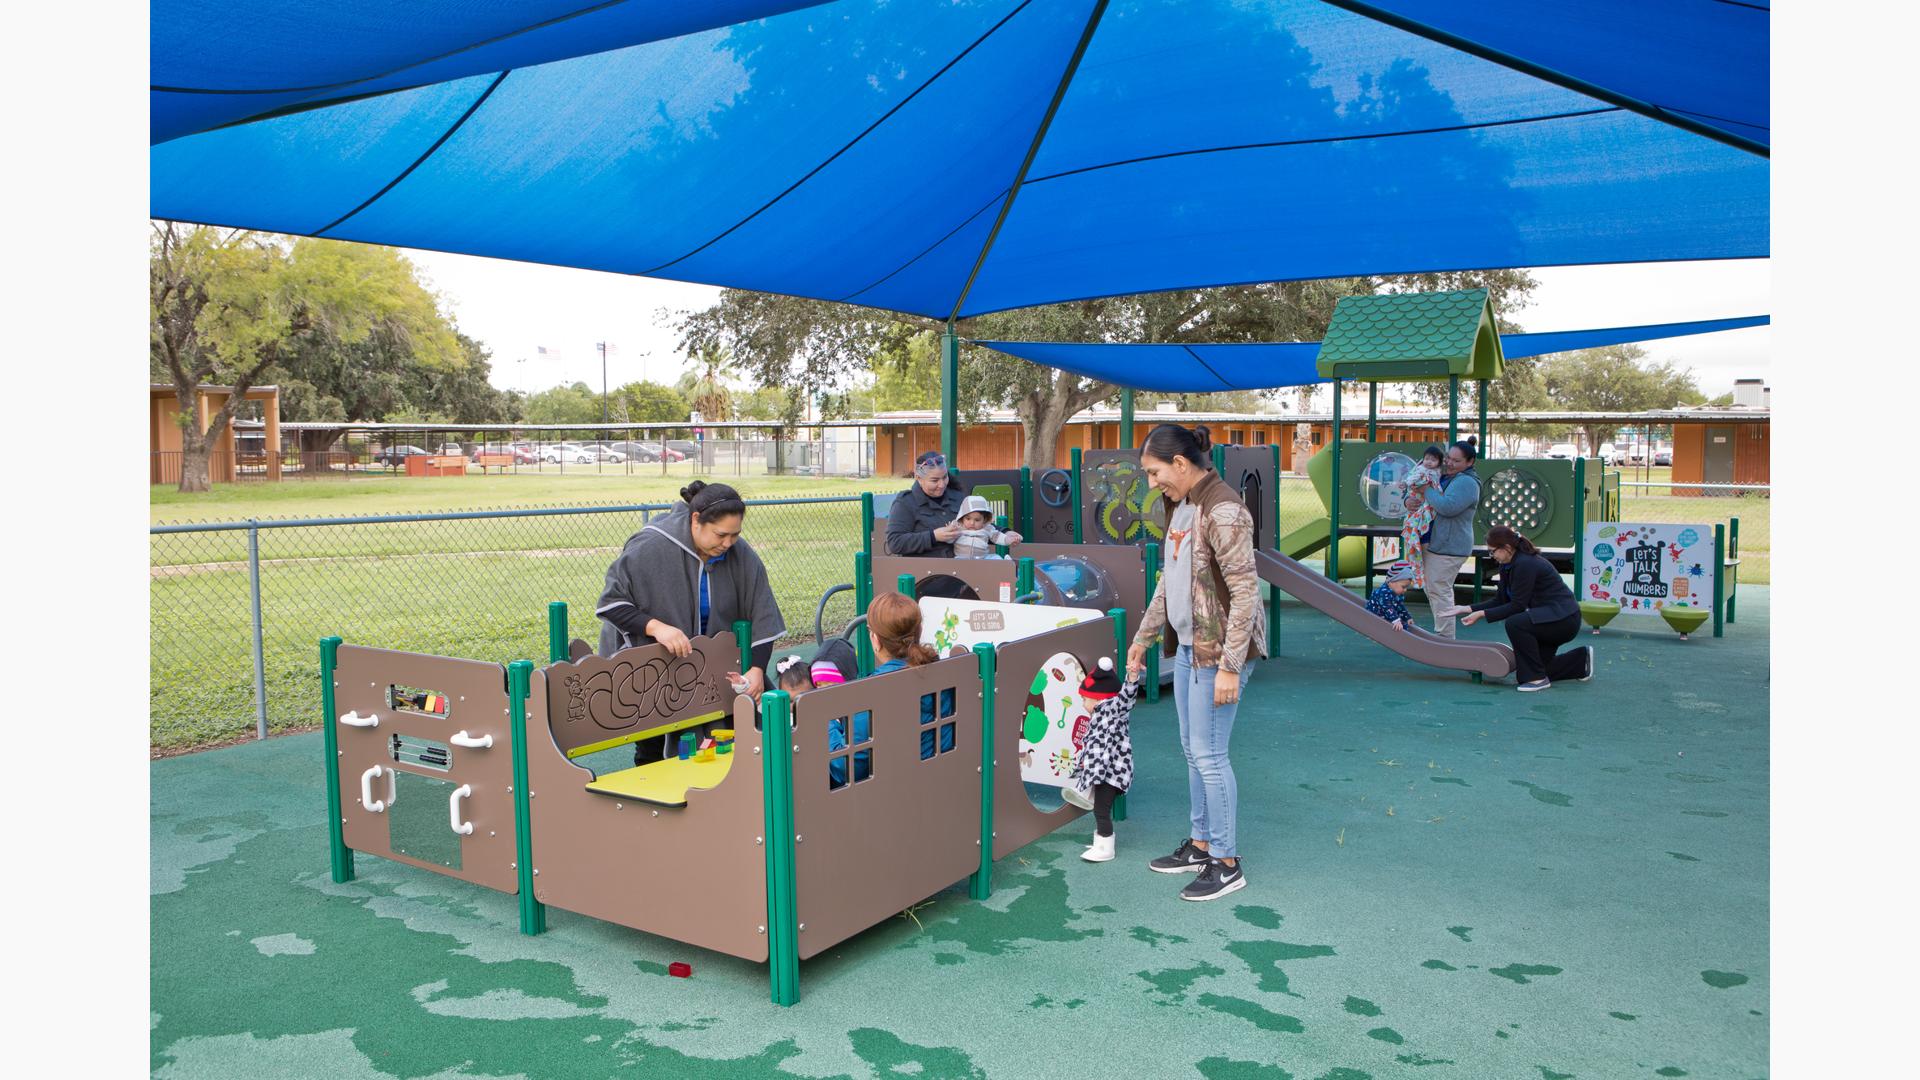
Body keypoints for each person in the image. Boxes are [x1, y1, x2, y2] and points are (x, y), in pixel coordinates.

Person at [1125, 423, 1266, 902]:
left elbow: (1246, 592)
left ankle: (1226, 862)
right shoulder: (1184, 507)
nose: (1152, 482)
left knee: (1210, 755)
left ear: (1180, 464)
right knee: (1193, 750)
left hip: (1218, 653)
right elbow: (1172, 580)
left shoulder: (1223, 510)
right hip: (1189, 648)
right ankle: (1202, 844)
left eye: (1154, 472)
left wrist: (1229, 665)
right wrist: (1143, 638)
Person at [595, 481, 786, 762]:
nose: (728, 543)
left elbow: (763, 612)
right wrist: (656, 627)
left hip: (705, 670)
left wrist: (757, 668)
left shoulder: (738, 552)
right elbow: (611, 602)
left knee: (721, 738)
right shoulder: (650, 546)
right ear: (696, 520)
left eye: (735, 535)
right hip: (649, 671)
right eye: (721, 535)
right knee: (652, 743)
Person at [1461, 525, 1594, 692]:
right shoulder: (1508, 564)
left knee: (1516, 623)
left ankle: (1537, 680)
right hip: (1548, 617)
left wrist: (1481, 614)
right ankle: (1580, 661)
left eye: (1493, 551)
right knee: (1533, 668)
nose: (1492, 556)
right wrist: (1467, 608)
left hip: (1564, 619)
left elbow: (1518, 605)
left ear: (1507, 548)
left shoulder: (1525, 563)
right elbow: (1501, 599)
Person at [1065, 658, 1142, 864]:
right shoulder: (1098, 716)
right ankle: (1100, 841)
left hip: (1113, 772)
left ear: (1098, 699)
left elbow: (1126, 697)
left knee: (1101, 810)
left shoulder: (1112, 709)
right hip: (1103, 770)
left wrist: (1132, 677)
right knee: (1099, 807)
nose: (1083, 704)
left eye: (1085, 699)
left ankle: (1106, 846)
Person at [865, 592, 952, 758]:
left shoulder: (872, 690)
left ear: (875, 639)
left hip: (896, 781)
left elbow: (846, 767)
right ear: (919, 630)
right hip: (943, 773)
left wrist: (832, 725)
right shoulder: (945, 671)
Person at [1420, 438, 1482, 637]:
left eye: (1456, 461)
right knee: (1434, 589)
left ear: (1470, 462)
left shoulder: (1466, 482)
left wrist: (1425, 490)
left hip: (1449, 546)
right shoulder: (1446, 476)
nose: (1449, 463)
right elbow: (1423, 498)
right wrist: (1410, 501)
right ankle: (1444, 636)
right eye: (1448, 458)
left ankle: (1445, 639)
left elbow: (1448, 507)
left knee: (1439, 590)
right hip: (1437, 542)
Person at [886, 451, 968, 558]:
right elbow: (895, 543)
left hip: (963, 564)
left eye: (944, 477)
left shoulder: (957, 497)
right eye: (934, 480)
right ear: (919, 479)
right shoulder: (906, 503)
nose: (942, 485)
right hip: (925, 570)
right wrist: (933, 536)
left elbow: (978, 521)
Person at [1397, 446, 1445, 590]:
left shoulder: (1441, 475)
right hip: (1419, 515)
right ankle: (1418, 577)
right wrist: (1406, 499)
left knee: (1423, 550)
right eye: (1427, 459)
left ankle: (1421, 578)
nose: (1429, 462)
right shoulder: (1421, 470)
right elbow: (1412, 482)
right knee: (1416, 544)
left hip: (1432, 522)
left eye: (1433, 460)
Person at [952, 494, 1022, 559]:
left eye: (977, 520)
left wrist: (1009, 540)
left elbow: (998, 537)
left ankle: (1005, 564)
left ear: (984, 520)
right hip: (961, 558)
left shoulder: (987, 529)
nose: (972, 523)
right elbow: (950, 539)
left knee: (996, 557)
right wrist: (949, 531)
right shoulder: (958, 528)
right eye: (968, 519)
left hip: (982, 558)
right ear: (962, 517)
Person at [1365, 561, 1418, 630]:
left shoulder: (1396, 593)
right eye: (1403, 587)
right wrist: (1396, 620)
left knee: (1404, 625)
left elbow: (1400, 606)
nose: (1405, 590)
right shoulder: (1384, 593)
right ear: (1391, 582)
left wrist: (1407, 617)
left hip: (1387, 615)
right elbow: (1387, 607)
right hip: (1375, 617)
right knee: (1401, 626)